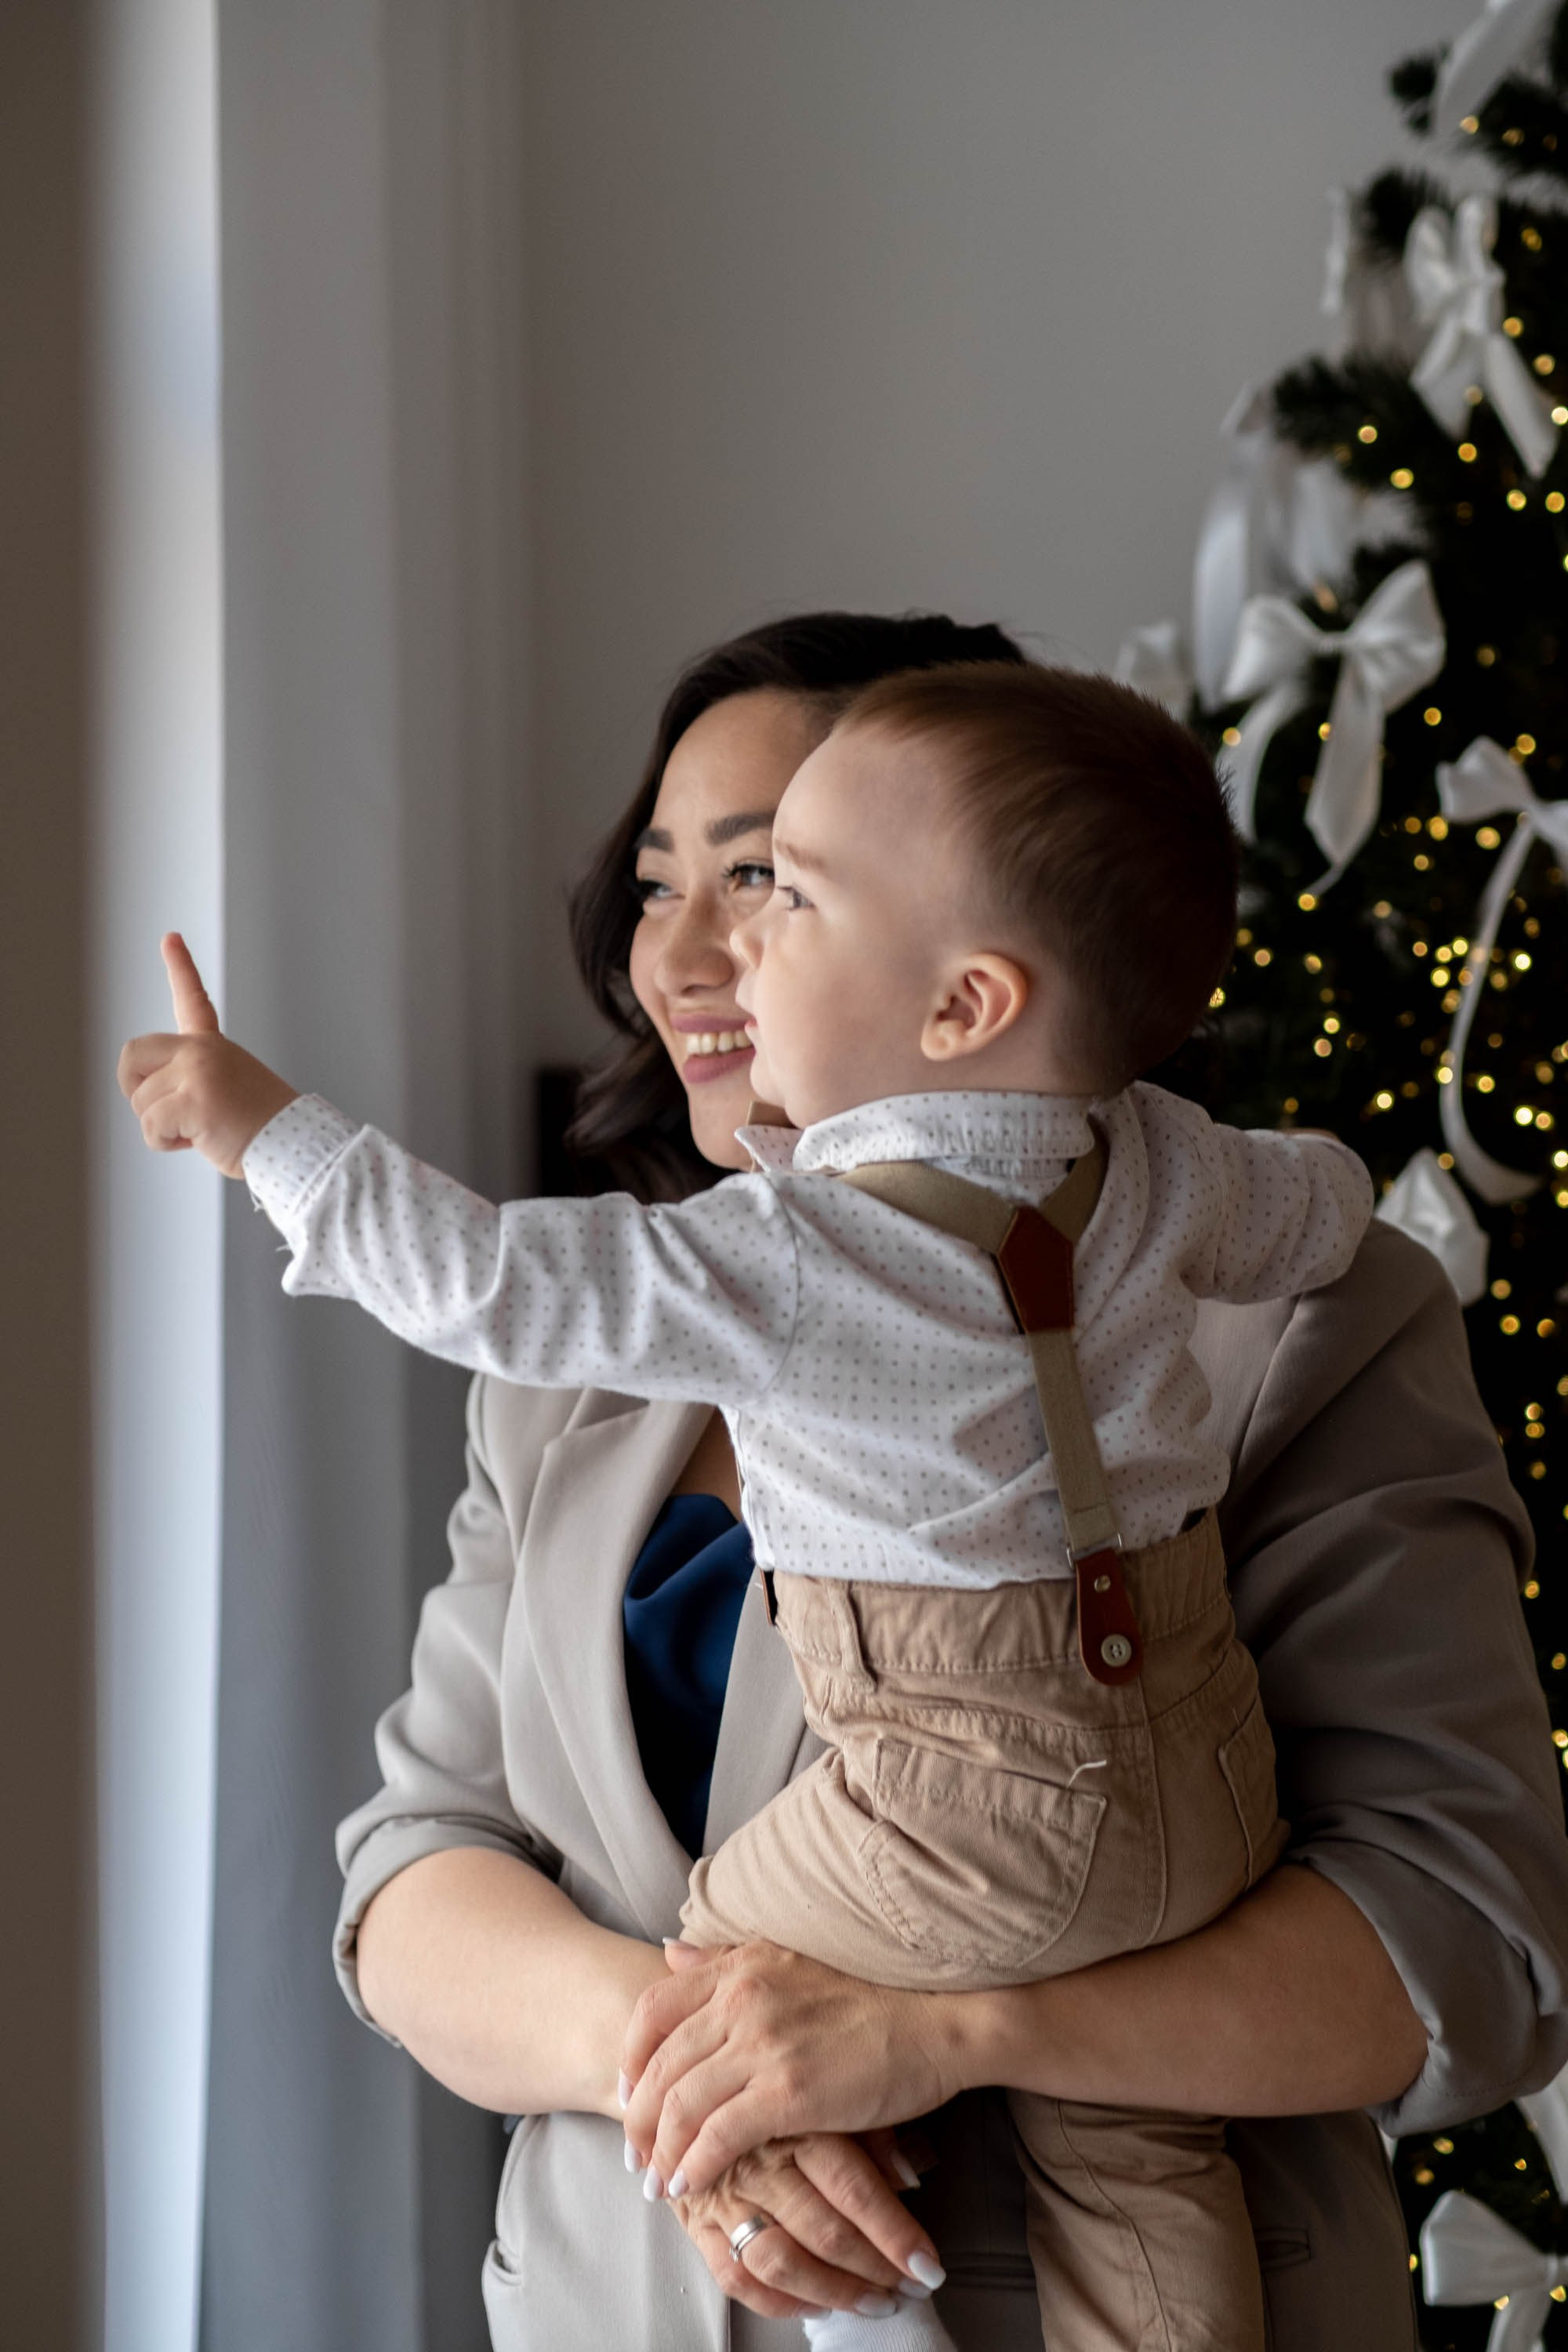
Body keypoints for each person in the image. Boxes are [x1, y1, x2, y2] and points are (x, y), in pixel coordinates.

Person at [122, 613, 1568, 2350]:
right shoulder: (582, 1364)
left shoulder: (1287, 1329)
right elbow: (416, 1868)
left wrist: (951, 2039)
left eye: (770, 880)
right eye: (662, 885)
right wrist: (698, 2070)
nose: (691, 956)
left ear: (978, 972)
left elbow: (1467, 1944)